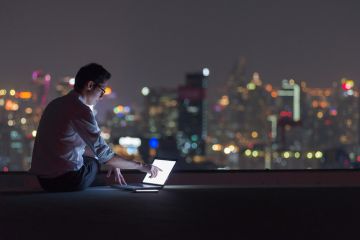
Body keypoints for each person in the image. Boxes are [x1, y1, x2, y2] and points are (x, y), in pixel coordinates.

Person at [29, 63, 160, 192]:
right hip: (68, 180)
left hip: (45, 182)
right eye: (102, 91)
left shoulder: (55, 104)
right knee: (94, 163)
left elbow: (66, 147)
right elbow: (104, 155)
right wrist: (142, 166)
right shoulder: (81, 110)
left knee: (95, 158)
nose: (101, 97)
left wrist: (112, 161)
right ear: (90, 85)